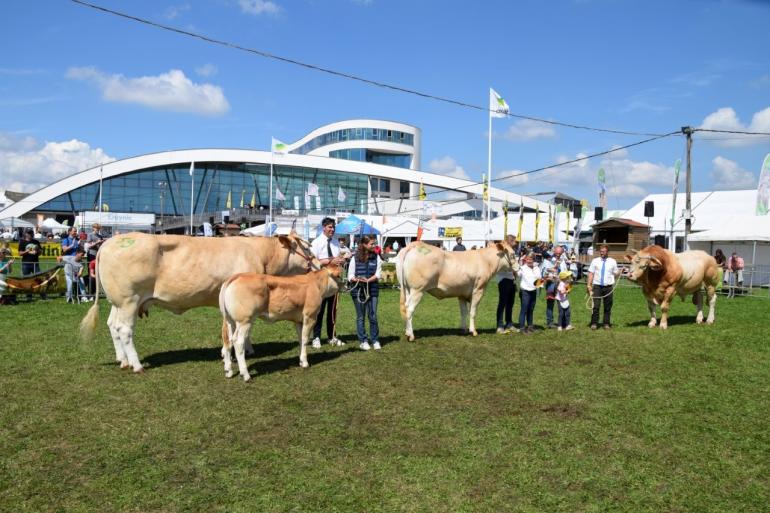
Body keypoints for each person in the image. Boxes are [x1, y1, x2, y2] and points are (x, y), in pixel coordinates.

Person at [310, 217, 347, 347]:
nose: (332, 229)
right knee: (319, 311)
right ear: (324, 227)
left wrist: (342, 260)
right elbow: (313, 262)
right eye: (330, 227)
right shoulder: (316, 243)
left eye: (333, 227)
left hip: (335, 281)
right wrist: (329, 260)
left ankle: (332, 336)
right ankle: (316, 337)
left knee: (332, 311)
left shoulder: (336, 242)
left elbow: (337, 259)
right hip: (321, 282)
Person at [348, 235, 382, 351]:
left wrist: (368, 280)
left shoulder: (377, 257)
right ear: (364, 244)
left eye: (375, 243)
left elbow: (378, 274)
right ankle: (363, 340)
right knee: (361, 317)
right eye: (372, 244)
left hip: (372, 290)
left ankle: (375, 340)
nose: (374, 245)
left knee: (373, 316)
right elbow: (350, 275)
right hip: (358, 290)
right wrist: (357, 279)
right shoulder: (355, 258)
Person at [587, 244, 620, 329]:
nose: (602, 253)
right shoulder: (595, 261)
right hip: (597, 287)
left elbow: (616, 273)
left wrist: (620, 272)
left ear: (607, 252)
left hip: (608, 287)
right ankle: (594, 323)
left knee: (608, 306)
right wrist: (589, 285)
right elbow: (591, 273)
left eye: (603, 251)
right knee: (596, 306)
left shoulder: (612, 261)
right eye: (601, 251)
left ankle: (606, 323)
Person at [496, 235, 518, 334]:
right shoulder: (502, 251)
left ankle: (509, 323)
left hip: (511, 279)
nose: (516, 243)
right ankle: (500, 326)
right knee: (502, 303)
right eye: (514, 241)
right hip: (503, 279)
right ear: (510, 241)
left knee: (510, 303)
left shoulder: (512, 251)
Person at [542, 245, 568, 328]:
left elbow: (565, 272)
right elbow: (543, 273)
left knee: (562, 303)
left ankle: (563, 322)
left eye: (560, 253)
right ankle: (550, 322)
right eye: (557, 253)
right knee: (550, 303)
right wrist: (549, 275)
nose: (558, 255)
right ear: (554, 251)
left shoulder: (563, 260)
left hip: (561, 284)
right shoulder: (548, 260)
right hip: (551, 284)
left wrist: (566, 283)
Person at [517, 253, 540, 334]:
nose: (529, 261)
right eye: (527, 259)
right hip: (525, 291)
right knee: (524, 310)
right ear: (525, 260)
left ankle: (530, 327)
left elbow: (539, 278)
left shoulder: (536, 268)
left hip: (533, 291)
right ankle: (522, 328)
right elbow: (517, 275)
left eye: (531, 259)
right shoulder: (523, 268)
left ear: (533, 260)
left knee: (531, 309)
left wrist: (539, 286)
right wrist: (518, 265)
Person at [18, 229, 44, 301]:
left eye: (31, 233)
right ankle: (29, 296)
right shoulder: (22, 242)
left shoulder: (36, 242)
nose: (30, 234)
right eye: (29, 233)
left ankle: (43, 295)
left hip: (35, 263)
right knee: (27, 280)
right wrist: (27, 251)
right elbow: (20, 253)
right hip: (26, 264)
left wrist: (38, 250)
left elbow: (40, 253)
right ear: (26, 234)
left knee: (39, 279)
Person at [60, 227, 80, 303]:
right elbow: (64, 249)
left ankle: (76, 295)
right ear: (69, 232)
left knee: (76, 279)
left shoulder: (76, 240)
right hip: (68, 262)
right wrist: (72, 245)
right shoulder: (66, 240)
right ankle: (69, 297)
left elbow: (78, 250)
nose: (75, 232)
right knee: (70, 280)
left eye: (76, 231)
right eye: (74, 231)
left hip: (75, 261)